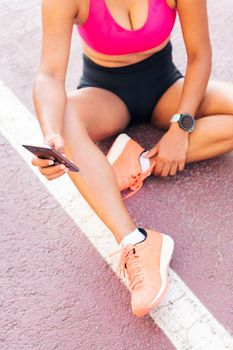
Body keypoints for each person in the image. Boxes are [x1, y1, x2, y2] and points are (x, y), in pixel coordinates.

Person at [31, 0, 233, 317]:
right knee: (64, 117)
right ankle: (135, 242)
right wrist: (50, 133)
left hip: (168, 89)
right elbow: (49, 76)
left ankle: (140, 162)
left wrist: (182, 126)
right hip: (105, 96)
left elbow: (200, 54)